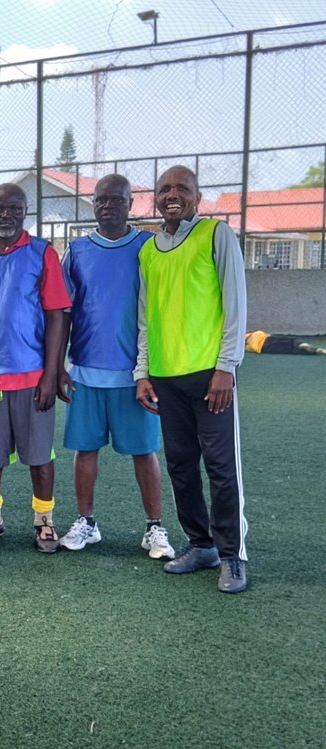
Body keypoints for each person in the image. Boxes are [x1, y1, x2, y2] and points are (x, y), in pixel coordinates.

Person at [136, 165, 249, 593]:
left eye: (182, 188)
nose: (172, 195)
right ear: (155, 198)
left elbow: (236, 305)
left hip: (210, 377)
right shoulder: (149, 251)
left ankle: (232, 555)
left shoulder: (216, 235)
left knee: (221, 467)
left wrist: (226, 367)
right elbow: (145, 319)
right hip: (166, 378)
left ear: (197, 197)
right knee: (181, 466)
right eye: (165, 188)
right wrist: (143, 372)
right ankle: (201, 545)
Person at [58, 174, 175, 561]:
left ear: (131, 204)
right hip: (85, 372)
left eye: (116, 199)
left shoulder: (148, 247)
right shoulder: (77, 251)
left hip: (135, 376)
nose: (108, 205)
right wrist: (59, 366)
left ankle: (154, 527)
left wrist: (151, 369)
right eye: (101, 199)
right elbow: (62, 312)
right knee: (85, 450)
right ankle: (86, 522)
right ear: (94, 204)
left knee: (145, 451)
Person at [0, 182, 71, 553]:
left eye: (15, 208)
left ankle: (44, 521)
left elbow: (56, 316)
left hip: (32, 375)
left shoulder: (41, 253)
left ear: (25, 211)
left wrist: (51, 373)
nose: (7, 215)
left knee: (39, 454)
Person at [245, 330, 326, 356]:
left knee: (288, 350)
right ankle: (302, 345)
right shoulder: (257, 333)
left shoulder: (246, 345)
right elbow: (266, 334)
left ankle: (314, 351)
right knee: (290, 341)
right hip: (268, 338)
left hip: (264, 347)